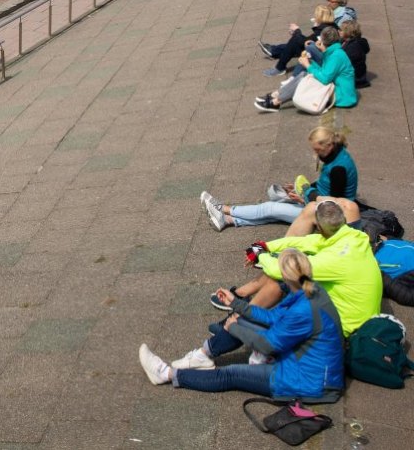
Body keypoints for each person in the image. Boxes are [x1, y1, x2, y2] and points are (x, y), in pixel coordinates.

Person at [138, 248, 344, 403]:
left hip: (310, 383)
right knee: (241, 320)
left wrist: (234, 327)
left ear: (284, 275)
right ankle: (203, 355)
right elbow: (273, 318)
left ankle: (166, 374)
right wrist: (236, 304)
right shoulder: (311, 290)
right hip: (306, 363)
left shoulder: (303, 309)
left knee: (231, 374)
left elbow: (268, 345)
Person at [213, 201, 381, 339]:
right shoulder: (351, 236)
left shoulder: (335, 259)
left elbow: (278, 271)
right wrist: (263, 246)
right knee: (284, 283)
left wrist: (260, 255)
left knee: (282, 282)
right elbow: (305, 242)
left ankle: (233, 328)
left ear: (320, 228)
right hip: (350, 314)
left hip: (345, 330)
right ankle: (238, 319)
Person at [200, 126, 357, 230]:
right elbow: (326, 188)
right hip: (317, 202)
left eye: (318, 151)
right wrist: (300, 190)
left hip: (328, 216)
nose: (315, 154)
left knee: (271, 208)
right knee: (276, 197)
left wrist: (304, 198)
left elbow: (333, 204)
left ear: (329, 146)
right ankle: (228, 220)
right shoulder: (335, 156)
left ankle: (223, 209)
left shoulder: (339, 169)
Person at [255, 26, 357, 112]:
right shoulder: (333, 52)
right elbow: (325, 71)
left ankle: (276, 101)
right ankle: (276, 96)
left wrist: (308, 65)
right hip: (337, 89)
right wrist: (310, 63)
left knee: (305, 76)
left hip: (341, 97)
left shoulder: (336, 56)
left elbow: (325, 78)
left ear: (322, 41)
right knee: (305, 73)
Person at [338, 19, 369, 89]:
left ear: (347, 32)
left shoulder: (353, 47)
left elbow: (342, 61)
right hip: (357, 75)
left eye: (341, 30)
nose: (338, 31)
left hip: (353, 78)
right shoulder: (348, 41)